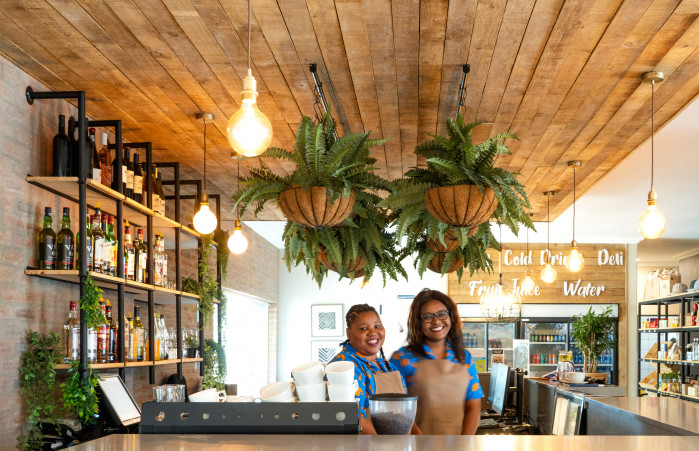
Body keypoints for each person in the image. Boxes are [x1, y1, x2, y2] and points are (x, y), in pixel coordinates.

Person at [390, 288, 484, 435]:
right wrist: (419, 440)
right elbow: (395, 407)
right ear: (418, 322)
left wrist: (463, 442)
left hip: (457, 444)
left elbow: (473, 406)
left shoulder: (464, 357)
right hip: (416, 443)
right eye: (427, 316)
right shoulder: (402, 358)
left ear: (451, 317)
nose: (436, 321)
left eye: (442, 314)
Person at [330, 304, 420, 435]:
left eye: (377, 326)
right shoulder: (344, 366)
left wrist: (419, 437)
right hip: (370, 444)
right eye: (363, 328)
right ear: (349, 334)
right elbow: (351, 417)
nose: (373, 332)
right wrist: (390, 443)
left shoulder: (387, 366)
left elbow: (405, 413)